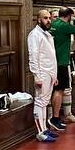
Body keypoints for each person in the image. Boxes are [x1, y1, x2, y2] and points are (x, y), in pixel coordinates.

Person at [50, 8, 75, 128]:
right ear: (69, 16)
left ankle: (55, 117)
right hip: (62, 62)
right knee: (59, 91)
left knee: (57, 90)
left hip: (54, 61)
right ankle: (55, 118)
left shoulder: (54, 24)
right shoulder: (64, 26)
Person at [27, 9, 58, 143]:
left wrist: (54, 76)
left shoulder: (47, 34)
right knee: (40, 101)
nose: (48, 20)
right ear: (39, 20)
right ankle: (40, 132)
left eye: (49, 18)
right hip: (42, 73)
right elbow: (33, 56)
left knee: (45, 102)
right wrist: (37, 76)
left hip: (49, 73)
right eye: (45, 18)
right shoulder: (34, 35)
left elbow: (51, 57)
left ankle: (45, 129)